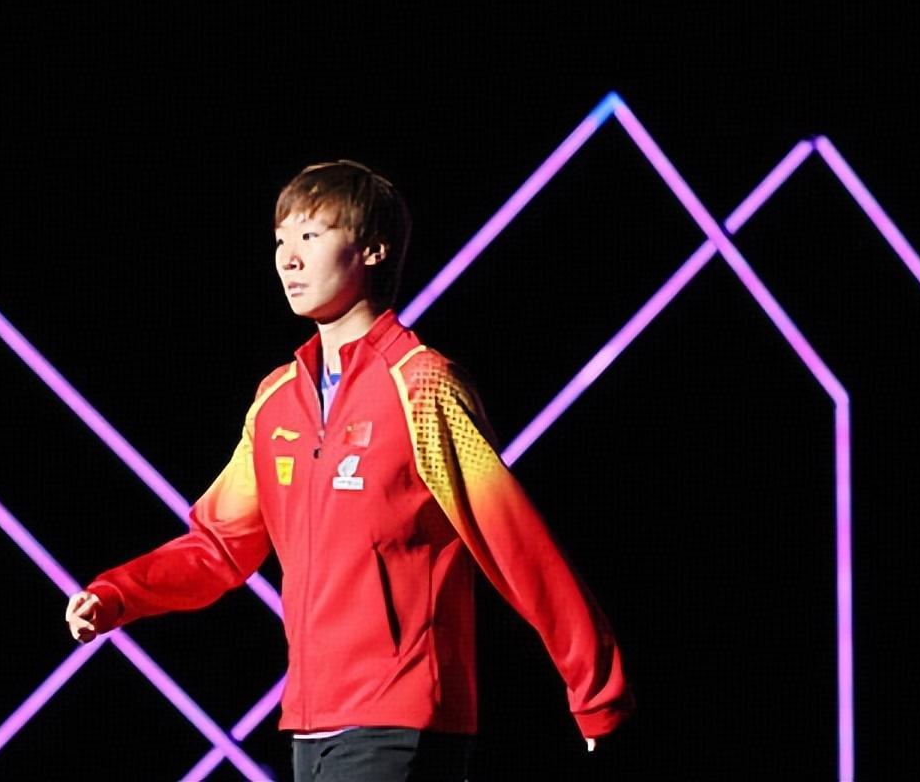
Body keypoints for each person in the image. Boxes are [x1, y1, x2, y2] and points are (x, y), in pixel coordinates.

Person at [65, 160, 633, 780]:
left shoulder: (422, 386)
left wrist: (595, 688)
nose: (287, 259)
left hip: (403, 716)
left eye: (310, 236)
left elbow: (513, 541)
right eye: (280, 240)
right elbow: (220, 547)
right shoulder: (276, 399)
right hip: (309, 724)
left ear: (373, 249)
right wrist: (117, 594)